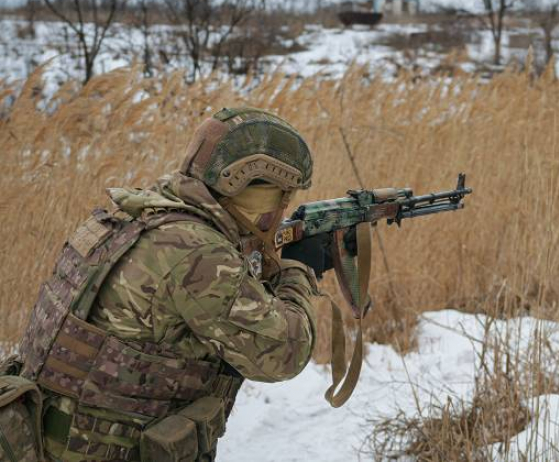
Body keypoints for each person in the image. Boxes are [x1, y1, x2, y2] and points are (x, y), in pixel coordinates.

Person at [14, 107, 327, 461]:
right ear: (246, 189)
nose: (281, 213)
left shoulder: (134, 216)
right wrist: (300, 270)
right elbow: (284, 354)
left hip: (40, 436)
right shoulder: (198, 253)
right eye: (278, 198)